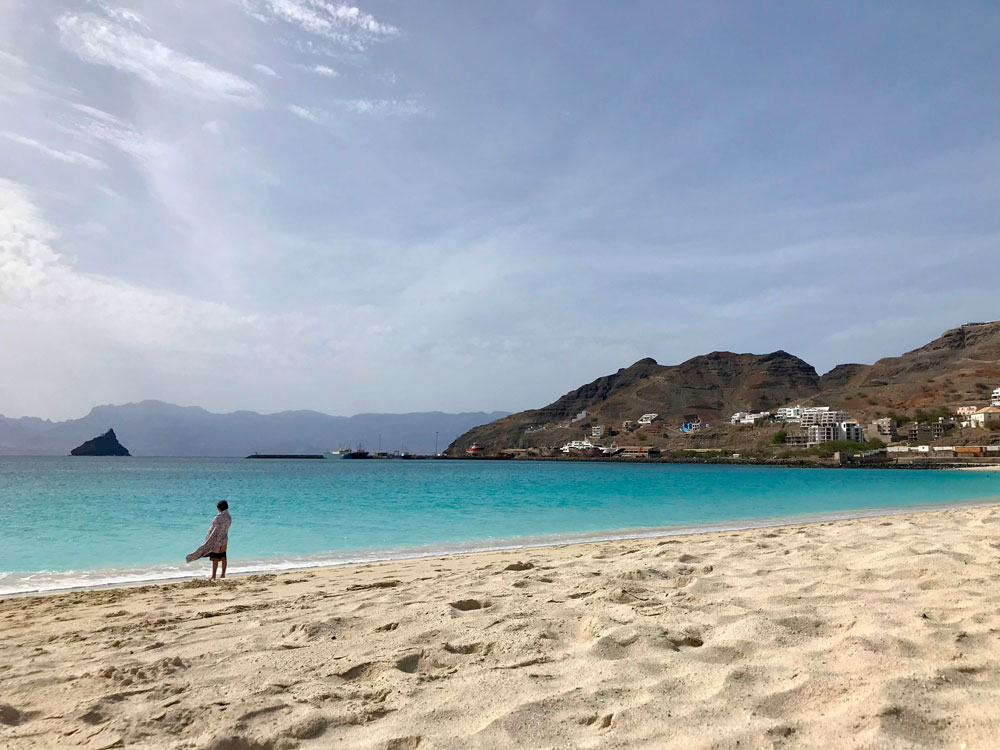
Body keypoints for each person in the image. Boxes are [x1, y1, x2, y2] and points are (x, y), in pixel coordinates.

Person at [185, 500, 232, 579]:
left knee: (215, 559)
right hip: (224, 539)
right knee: (224, 557)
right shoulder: (229, 517)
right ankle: (223, 574)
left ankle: (213, 576)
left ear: (219, 509)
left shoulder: (218, 518)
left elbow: (214, 530)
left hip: (216, 540)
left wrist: (208, 541)